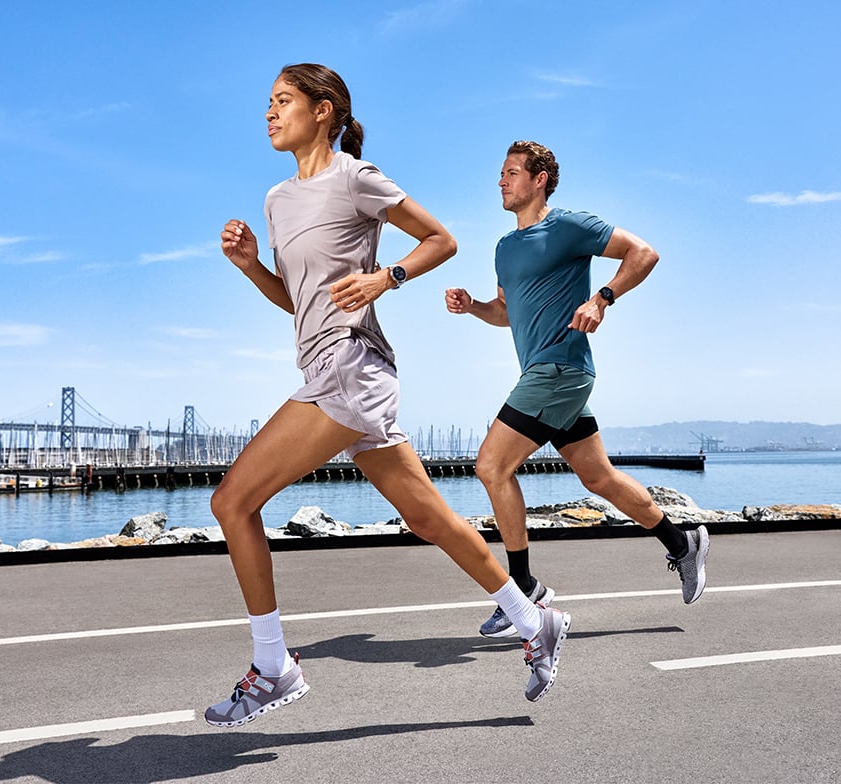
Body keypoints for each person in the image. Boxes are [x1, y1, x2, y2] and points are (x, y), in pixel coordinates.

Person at [206, 68, 571, 727]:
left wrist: (385, 279)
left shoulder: (355, 177)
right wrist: (252, 265)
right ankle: (533, 618)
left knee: (232, 501)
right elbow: (299, 302)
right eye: (266, 103)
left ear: (323, 112)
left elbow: (442, 239)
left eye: (281, 102)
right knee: (428, 519)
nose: (269, 113)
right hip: (325, 365)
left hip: (351, 368)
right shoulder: (277, 200)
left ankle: (273, 667)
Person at [445, 140, 710, 639]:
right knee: (600, 479)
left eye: (511, 172)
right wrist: (474, 305)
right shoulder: (505, 247)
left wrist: (602, 298)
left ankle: (522, 590)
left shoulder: (567, 226)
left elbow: (643, 253)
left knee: (490, 466)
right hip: (547, 375)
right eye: (500, 173)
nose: (500, 181)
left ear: (539, 179)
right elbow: (507, 313)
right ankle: (682, 543)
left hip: (559, 368)